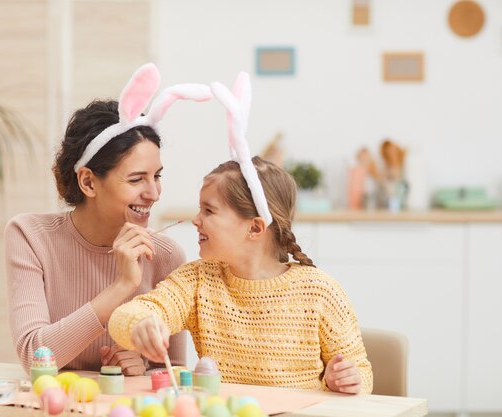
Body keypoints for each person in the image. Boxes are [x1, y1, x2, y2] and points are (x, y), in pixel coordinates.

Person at [108, 72, 373, 393]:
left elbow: (361, 371)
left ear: (255, 227)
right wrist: (141, 324)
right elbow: (125, 316)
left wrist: (347, 378)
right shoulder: (197, 281)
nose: (196, 220)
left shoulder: (319, 291)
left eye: (209, 211)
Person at [4, 63, 211, 375]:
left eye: (156, 176)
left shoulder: (166, 257)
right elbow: (36, 356)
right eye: (136, 179)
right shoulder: (30, 237)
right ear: (88, 182)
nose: (153, 193)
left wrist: (144, 367)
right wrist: (123, 284)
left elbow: (173, 372)